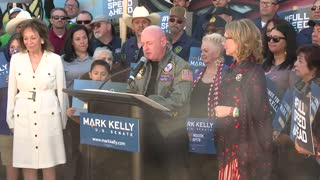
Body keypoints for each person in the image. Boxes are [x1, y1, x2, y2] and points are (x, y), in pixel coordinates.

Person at [128, 25, 192, 180]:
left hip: (171, 133)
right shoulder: (142, 65)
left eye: (150, 43)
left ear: (163, 42)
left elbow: (180, 99)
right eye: (143, 44)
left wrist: (147, 101)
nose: (145, 48)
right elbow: (131, 91)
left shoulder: (182, 66)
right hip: (144, 132)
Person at [6, 18, 67, 180]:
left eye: (33, 38)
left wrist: (62, 121)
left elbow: (62, 92)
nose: (29, 42)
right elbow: (12, 91)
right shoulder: (16, 59)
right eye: (25, 38)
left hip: (49, 114)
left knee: (49, 162)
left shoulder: (54, 59)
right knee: (27, 163)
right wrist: (10, 119)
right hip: (23, 114)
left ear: (41, 38)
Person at [214, 19, 273, 180]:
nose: (223, 42)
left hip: (244, 154)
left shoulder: (254, 72)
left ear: (241, 40)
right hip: (228, 146)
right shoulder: (232, 69)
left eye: (227, 38)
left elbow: (259, 113)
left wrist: (230, 111)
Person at [188, 33, 226, 180]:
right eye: (201, 50)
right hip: (195, 137)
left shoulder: (227, 74)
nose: (201, 54)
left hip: (218, 138)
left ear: (217, 53)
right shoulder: (197, 73)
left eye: (206, 51)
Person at [61, 24, 93, 180]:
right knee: (75, 150)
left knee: (92, 150)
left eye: (84, 38)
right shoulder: (62, 61)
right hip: (72, 110)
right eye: (77, 39)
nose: (82, 42)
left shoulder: (96, 58)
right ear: (71, 42)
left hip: (94, 109)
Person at [288, 44, 320, 180]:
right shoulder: (300, 86)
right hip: (302, 160)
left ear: (313, 68)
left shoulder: (317, 93)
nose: (295, 64)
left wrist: (315, 147)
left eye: (300, 61)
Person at [0, 33, 21, 180]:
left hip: (29, 123)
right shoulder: (2, 66)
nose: (15, 51)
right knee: (10, 163)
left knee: (30, 165)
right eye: (12, 47)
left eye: (19, 48)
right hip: (5, 124)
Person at [263, 18, 297, 91]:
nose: (271, 41)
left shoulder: (295, 66)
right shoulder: (263, 63)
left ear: (287, 41)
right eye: (269, 38)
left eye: (276, 39)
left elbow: (295, 97)